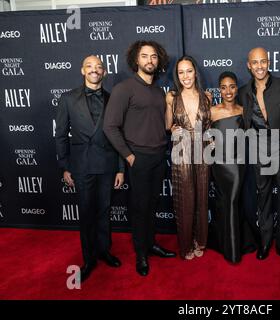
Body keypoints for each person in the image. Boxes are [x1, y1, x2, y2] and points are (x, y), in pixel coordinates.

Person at [103, 40, 176, 277]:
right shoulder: (124, 89)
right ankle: (141, 254)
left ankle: (151, 244)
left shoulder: (157, 91)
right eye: (145, 56)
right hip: (139, 159)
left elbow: (162, 125)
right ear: (136, 59)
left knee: (152, 205)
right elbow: (110, 126)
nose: (150, 61)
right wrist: (129, 156)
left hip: (158, 157)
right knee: (139, 208)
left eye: (154, 56)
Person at [55, 55, 124, 282]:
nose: (95, 70)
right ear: (82, 70)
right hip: (82, 165)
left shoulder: (112, 98)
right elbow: (61, 135)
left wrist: (120, 168)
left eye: (99, 67)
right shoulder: (67, 99)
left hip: (107, 164)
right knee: (86, 213)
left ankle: (104, 250)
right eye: (90, 66)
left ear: (104, 72)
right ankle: (89, 258)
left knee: (104, 210)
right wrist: (65, 166)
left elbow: (118, 136)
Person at [238, 47, 280, 268]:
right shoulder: (243, 92)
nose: (259, 66)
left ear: (269, 63)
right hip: (258, 148)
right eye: (254, 62)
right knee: (263, 196)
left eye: (263, 62)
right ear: (249, 65)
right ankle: (265, 242)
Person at [165, 56, 211, 260]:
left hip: (202, 149)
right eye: (181, 72)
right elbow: (168, 125)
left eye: (189, 71)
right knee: (185, 199)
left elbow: (209, 126)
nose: (185, 76)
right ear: (177, 75)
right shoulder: (171, 97)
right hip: (181, 149)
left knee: (201, 197)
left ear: (195, 72)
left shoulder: (207, 96)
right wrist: (173, 128)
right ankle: (185, 244)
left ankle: (199, 240)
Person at [208, 71, 256, 264]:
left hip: (238, 163)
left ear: (237, 89)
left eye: (232, 86)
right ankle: (227, 244)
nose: (228, 91)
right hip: (219, 163)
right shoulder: (212, 111)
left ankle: (233, 248)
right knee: (225, 201)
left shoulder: (244, 111)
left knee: (233, 200)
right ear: (219, 89)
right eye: (224, 87)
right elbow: (201, 132)